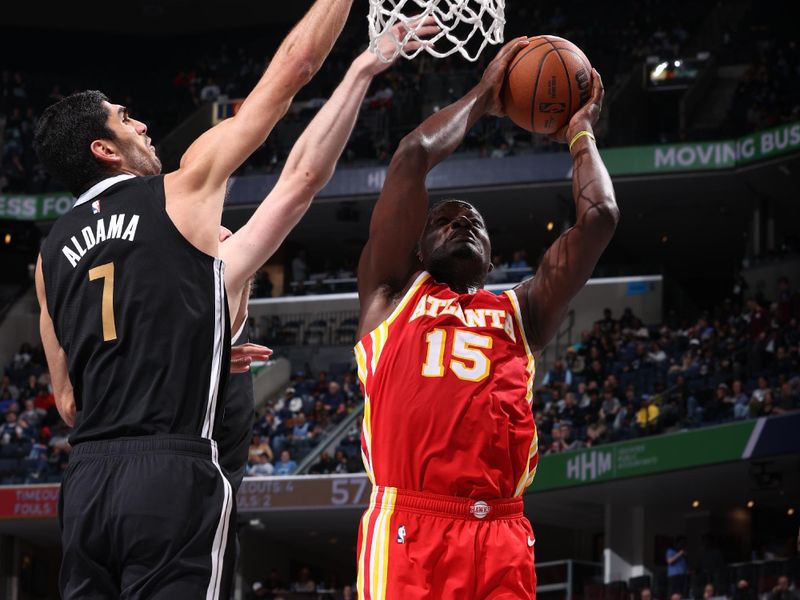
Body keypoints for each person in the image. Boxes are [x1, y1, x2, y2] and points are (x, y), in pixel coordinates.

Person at [32, 1, 354, 597]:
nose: (143, 126)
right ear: (104, 149)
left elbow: (70, 405)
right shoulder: (179, 189)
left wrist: (183, 345)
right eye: (126, 120)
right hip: (169, 472)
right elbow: (295, 67)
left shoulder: (48, 258)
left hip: (85, 482)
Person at [353, 36, 617, 599]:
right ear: (416, 250)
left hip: (501, 529)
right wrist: (486, 95)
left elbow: (599, 219)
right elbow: (412, 157)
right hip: (410, 528)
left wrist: (580, 133)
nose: (462, 222)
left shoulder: (520, 311)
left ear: (494, 260)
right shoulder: (390, 297)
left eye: (474, 222)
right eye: (444, 219)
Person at [215, 17, 439, 491]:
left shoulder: (70, 253)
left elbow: (69, 401)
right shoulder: (213, 270)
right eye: (127, 119)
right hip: (181, 480)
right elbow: (301, 177)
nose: (224, 229)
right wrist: (362, 68)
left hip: (96, 469)